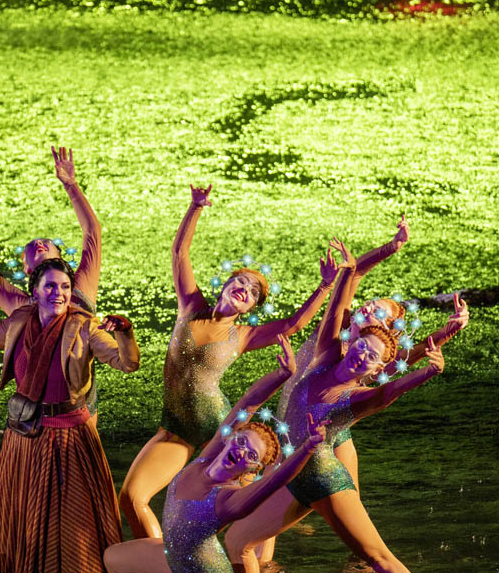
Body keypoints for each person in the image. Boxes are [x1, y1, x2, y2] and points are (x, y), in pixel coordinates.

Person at [222, 241, 448, 573]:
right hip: (295, 469)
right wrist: (344, 272)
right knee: (238, 541)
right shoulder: (327, 353)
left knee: (376, 558)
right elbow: (339, 304)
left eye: (371, 356)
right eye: (362, 346)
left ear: (379, 368)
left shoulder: (357, 395)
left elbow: (391, 390)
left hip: (325, 477)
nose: (362, 354)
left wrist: (430, 368)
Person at [118, 183, 341, 540]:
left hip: (218, 427)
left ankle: (267, 545)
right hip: (175, 427)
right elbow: (179, 252)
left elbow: (295, 324)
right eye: (241, 281)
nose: (245, 289)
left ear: (251, 307)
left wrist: (325, 287)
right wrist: (195, 207)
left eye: (253, 292)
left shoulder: (244, 336)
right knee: (131, 498)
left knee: (243, 506)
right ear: (225, 285)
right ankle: (159, 559)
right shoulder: (191, 308)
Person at [104, 336, 326, 573]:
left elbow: (275, 481)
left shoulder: (229, 499)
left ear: (252, 468)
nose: (242, 452)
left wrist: (308, 447)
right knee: (114, 559)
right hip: (173, 559)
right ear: (233, 437)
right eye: (242, 442)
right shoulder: (207, 458)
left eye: (251, 456)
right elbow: (247, 403)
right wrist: (280, 375)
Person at [0, 258, 139, 573]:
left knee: (74, 523)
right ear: (35, 292)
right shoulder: (19, 321)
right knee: (24, 516)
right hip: (24, 438)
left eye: (65, 287)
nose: (59, 293)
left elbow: (126, 363)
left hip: (70, 439)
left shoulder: (85, 326)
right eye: (51, 286)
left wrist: (124, 333)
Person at [0, 146, 101, 315]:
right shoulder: (22, 307)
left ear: (60, 258)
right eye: (29, 246)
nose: (38, 243)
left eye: (46, 242)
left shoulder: (80, 290)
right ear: (27, 269)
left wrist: (71, 185)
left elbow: (92, 230)